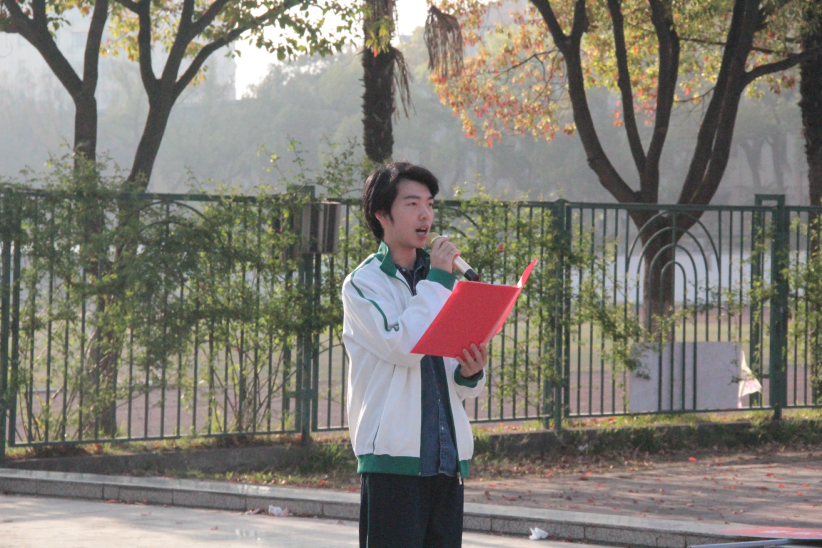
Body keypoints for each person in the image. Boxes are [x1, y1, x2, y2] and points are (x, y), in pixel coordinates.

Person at [342, 162, 488, 548]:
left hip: (446, 461)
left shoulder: (441, 283)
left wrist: (470, 372)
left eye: (430, 204)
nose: (425, 215)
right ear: (381, 213)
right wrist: (438, 280)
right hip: (393, 462)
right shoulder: (363, 284)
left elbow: (457, 380)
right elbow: (405, 348)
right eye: (412, 203)